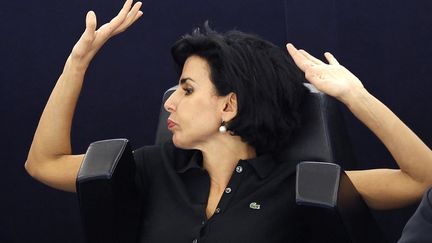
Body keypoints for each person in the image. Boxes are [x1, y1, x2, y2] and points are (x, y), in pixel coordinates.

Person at [24, 0, 432, 242]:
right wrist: (76, 65)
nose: (169, 104)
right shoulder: (152, 167)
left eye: (186, 90)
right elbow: (43, 163)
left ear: (229, 106)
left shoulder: (295, 182)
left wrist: (354, 95)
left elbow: (422, 180)